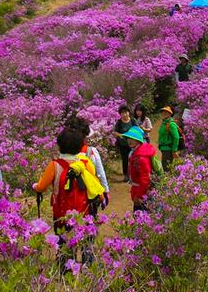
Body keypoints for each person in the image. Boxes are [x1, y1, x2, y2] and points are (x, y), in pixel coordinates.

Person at [33, 127, 105, 266]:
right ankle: (88, 269)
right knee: (86, 243)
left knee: (64, 244)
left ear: (60, 145)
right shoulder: (84, 163)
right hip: (84, 212)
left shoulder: (54, 165)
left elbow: (41, 187)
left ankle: (66, 271)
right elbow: (94, 182)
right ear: (80, 146)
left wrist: (35, 186)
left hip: (61, 214)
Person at [64, 115, 110, 210]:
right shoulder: (91, 151)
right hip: (91, 193)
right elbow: (100, 172)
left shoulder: (65, 153)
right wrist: (105, 191)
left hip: (70, 193)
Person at [123, 125, 160, 212]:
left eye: (133, 138)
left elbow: (145, 179)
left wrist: (139, 196)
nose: (129, 140)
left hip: (143, 193)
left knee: (142, 219)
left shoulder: (141, 157)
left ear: (139, 140)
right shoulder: (136, 152)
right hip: (141, 190)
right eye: (128, 138)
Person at [113, 105, 136, 181]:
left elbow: (137, 129)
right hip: (123, 144)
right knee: (125, 159)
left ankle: (133, 175)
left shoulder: (132, 120)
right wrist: (120, 135)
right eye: (122, 113)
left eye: (126, 112)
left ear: (128, 112)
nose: (125, 114)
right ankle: (126, 175)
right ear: (120, 114)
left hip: (133, 144)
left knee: (133, 159)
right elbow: (115, 132)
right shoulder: (119, 122)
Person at [157, 106, 182, 171]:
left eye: (166, 112)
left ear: (170, 114)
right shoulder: (164, 122)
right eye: (163, 112)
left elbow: (176, 137)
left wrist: (174, 150)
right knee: (166, 167)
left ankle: (168, 180)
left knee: (167, 168)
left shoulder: (171, 124)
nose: (164, 113)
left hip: (168, 149)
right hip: (164, 148)